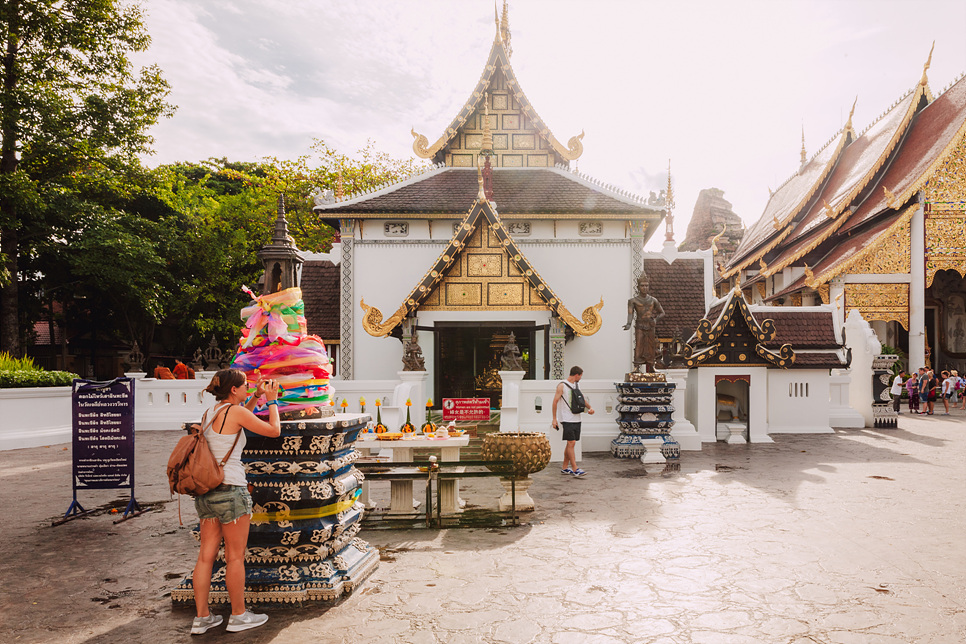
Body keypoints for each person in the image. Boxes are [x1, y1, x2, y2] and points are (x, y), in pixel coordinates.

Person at [190, 368, 281, 635]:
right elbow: (273, 431)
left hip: (207, 492)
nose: (247, 389)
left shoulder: (210, 413)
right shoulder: (236, 412)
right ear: (233, 390)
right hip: (231, 490)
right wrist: (272, 400)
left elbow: (241, 414)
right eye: (245, 386)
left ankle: (202, 618)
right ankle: (239, 615)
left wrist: (256, 396)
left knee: (206, 557)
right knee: (235, 557)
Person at [552, 366, 594, 477]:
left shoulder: (576, 385)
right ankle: (575, 468)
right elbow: (555, 402)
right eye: (580, 376)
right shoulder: (562, 386)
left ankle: (565, 468)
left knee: (570, 443)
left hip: (577, 417)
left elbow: (581, 399)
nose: (580, 378)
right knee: (572, 442)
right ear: (576, 375)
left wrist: (589, 408)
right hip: (566, 418)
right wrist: (554, 419)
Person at [623, 272, 665, 372]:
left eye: (646, 285)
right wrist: (628, 323)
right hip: (640, 325)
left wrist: (655, 319)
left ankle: (651, 366)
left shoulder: (653, 300)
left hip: (650, 325)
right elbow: (630, 314)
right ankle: (637, 366)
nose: (645, 288)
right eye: (642, 286)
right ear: (638, 287)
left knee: (651, 345)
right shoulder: (633, 301)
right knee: (639, 345)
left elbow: (662, 313)